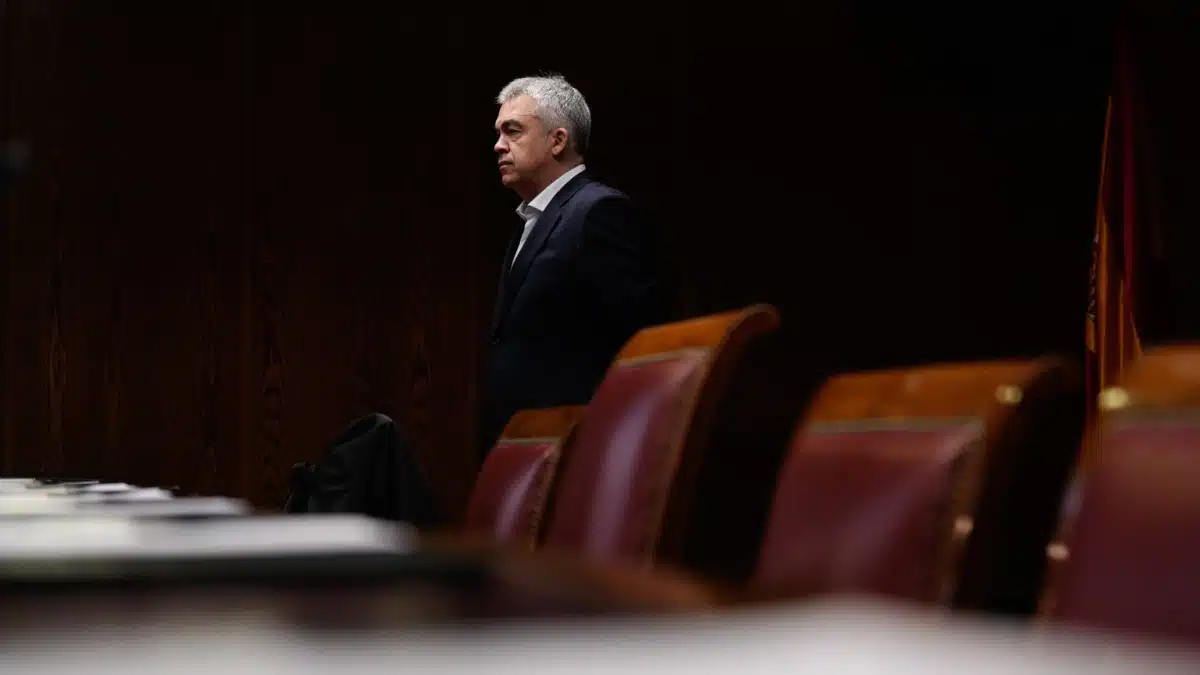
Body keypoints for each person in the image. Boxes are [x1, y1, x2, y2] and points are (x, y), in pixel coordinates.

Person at [479, 74, 659, 458]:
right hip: (525, 443)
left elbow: (635, 343)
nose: (498, 145)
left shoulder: (598, 211)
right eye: (498, 133)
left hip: (572, 447)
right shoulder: (531, 218)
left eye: (513, 131)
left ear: (558, 140)